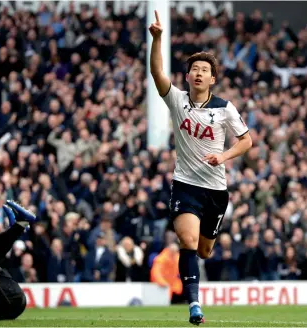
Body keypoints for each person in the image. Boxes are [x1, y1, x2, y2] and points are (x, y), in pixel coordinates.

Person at [149, 10, 252, 325]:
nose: (197, 73)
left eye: (204, 70)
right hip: (185, 185)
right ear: (188, 76)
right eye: (194, 68)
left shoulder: (224, 108)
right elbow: (157, 73)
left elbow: (246, 140)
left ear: (212, 78)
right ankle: (194, 305)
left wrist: (224, 156)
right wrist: (157, 39)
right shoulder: (177, 100)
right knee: (188, 242)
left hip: (216, 191)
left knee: (205, 251)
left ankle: (194, 289)